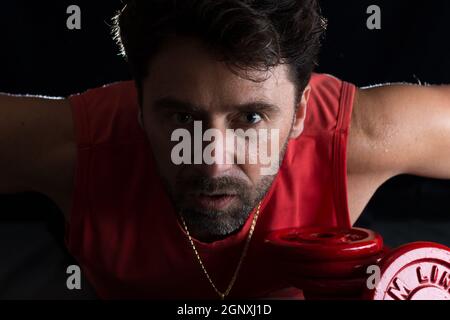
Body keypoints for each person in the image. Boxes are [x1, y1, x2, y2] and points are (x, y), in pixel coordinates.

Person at [1, 0, 450, 299]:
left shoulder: (359, 136)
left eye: (251, 119)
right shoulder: (81, 146)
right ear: (136, 105)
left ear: (299, 113)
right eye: (181, 118)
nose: (212, 161)